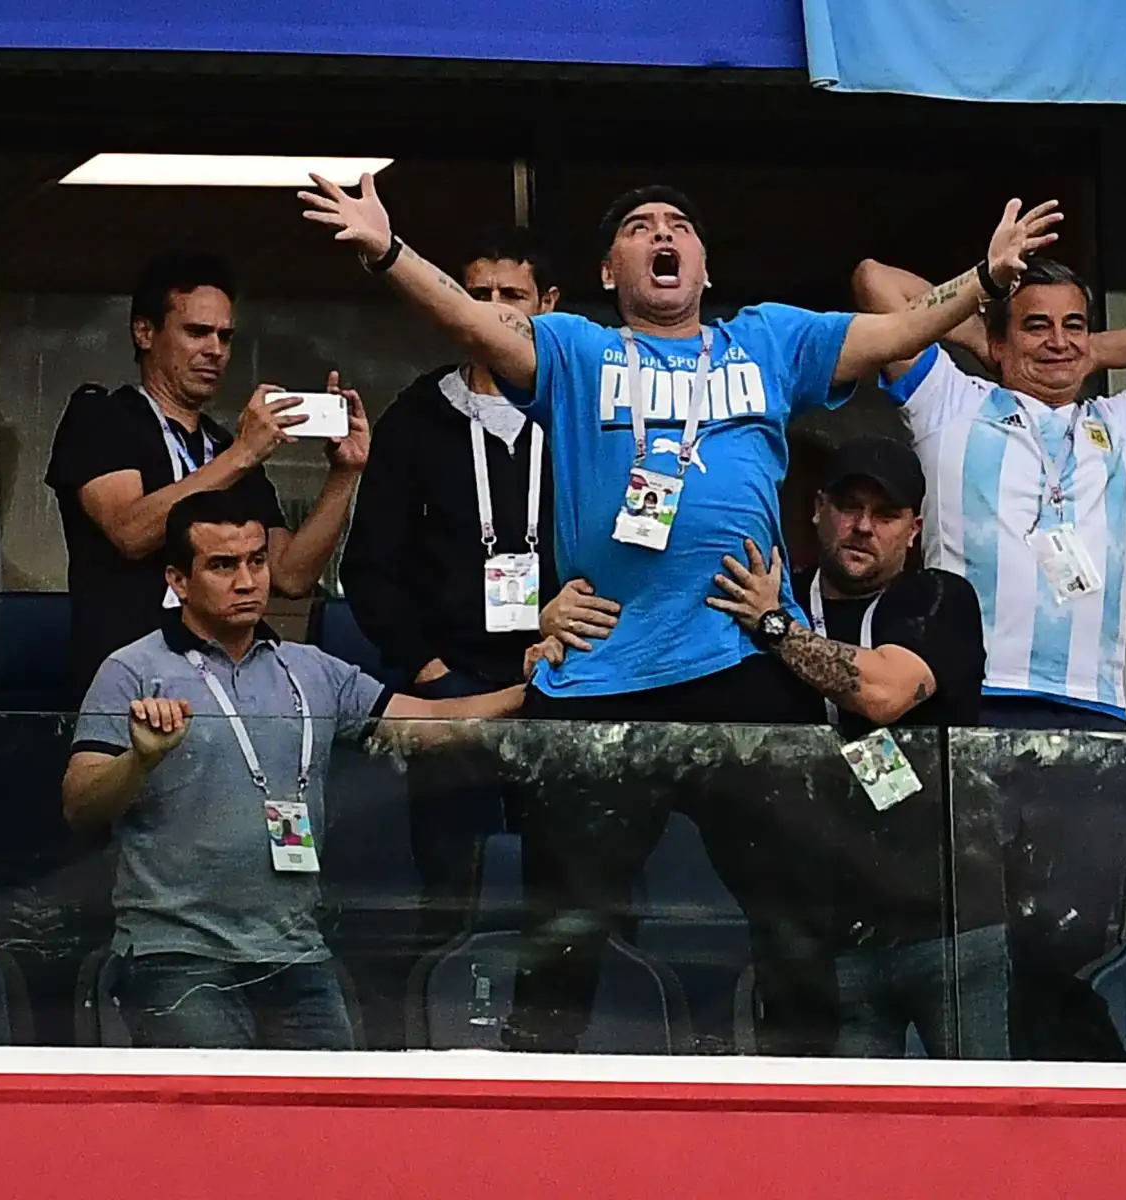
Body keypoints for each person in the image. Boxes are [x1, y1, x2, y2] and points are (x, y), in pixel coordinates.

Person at [298, 171, 1061, 1053]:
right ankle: (538, 1100)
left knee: (795, 918)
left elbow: (895, 330)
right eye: (638, 227)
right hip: (602, 674)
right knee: (564, 935)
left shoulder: (769, 341)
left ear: (703, 267)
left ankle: (802, 1092)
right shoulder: (577, 350)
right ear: (610, 271)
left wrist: (985, 278)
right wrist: (389, 251)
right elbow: (472, 322)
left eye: (679, 226)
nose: (662, 234)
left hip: (739, 661)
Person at [63, 489, 553, 1050]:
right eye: (222, 566)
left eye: (257, 561)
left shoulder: (310, 669)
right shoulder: (132, 669)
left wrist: (532, 689)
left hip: (295, 950)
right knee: (226, 1106)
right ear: (178, 580)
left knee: (331, 1104)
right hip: (176, 954)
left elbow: (429, 724)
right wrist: (140, 760)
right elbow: (79, 803)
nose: (247, 581)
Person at [852, 256, 1126, 731]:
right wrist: (978, 334)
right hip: (973, 696)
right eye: (1036, 326)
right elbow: (875, 281)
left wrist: (1093, 351)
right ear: (1002, 340)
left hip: (1094, 704)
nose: (1058, 340)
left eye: (1073, 325)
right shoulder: (951, 402)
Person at [705, 436, 1003, 1058]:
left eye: (886, 514)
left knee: (982, 1106)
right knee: (844, 1117)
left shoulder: (939, 598)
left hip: (950, 928)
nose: (864, 527)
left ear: (914, 530)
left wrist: (775, 628)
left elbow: (884, 693)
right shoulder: (773, 596)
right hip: (821, 939)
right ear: (817, 509)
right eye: (849, 506)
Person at [338, 226, 559, 949]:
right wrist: (428, 669)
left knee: (564, 893)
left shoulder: (579, 413)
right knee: (450, 891)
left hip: (561, 683)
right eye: (478, 292)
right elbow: (370, 567)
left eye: (512, 294)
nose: (492, 308)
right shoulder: (416, 417)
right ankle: (440, 1003)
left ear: (549, 304)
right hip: (450, 691)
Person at [46, 251, 370, 699]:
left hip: (226, 682)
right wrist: (242, 454)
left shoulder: (225, 446)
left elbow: (290, 576)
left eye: (225, 336)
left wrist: (345, 474)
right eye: (197, 332)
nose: (215, 350)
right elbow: (130, 531)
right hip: (129, 679)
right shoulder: (102, 416)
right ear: (145, 332)